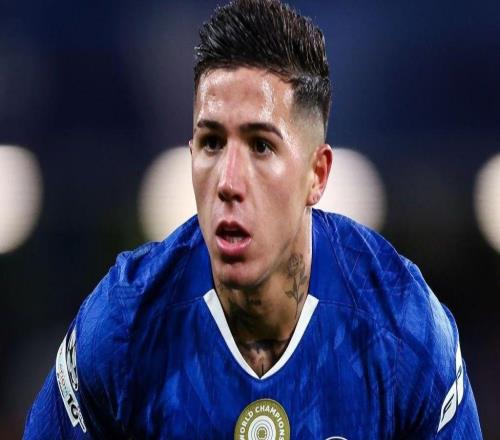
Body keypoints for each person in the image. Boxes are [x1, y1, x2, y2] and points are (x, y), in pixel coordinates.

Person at [24, 0, 482, 438]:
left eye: (261, 146)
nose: (228, 181)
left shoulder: (404, 329)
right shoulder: (125, 325)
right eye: (211, 142)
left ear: (317, 174)